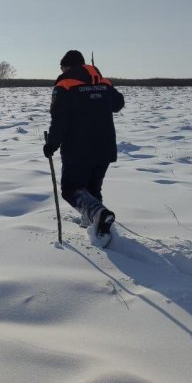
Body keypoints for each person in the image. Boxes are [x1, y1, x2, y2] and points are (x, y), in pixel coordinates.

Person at [43, 50, 124, 240]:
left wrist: (51, 145)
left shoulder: (65, 86)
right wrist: (101, 89)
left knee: (71, 189)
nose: (61, 70)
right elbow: (118, 103)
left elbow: (60, 120)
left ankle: (97, 215)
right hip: (105, 148)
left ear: (69, 66)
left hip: (78, 150)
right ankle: (98, 231)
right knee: (92, 190)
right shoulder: (102, 82)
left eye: (62, 67)